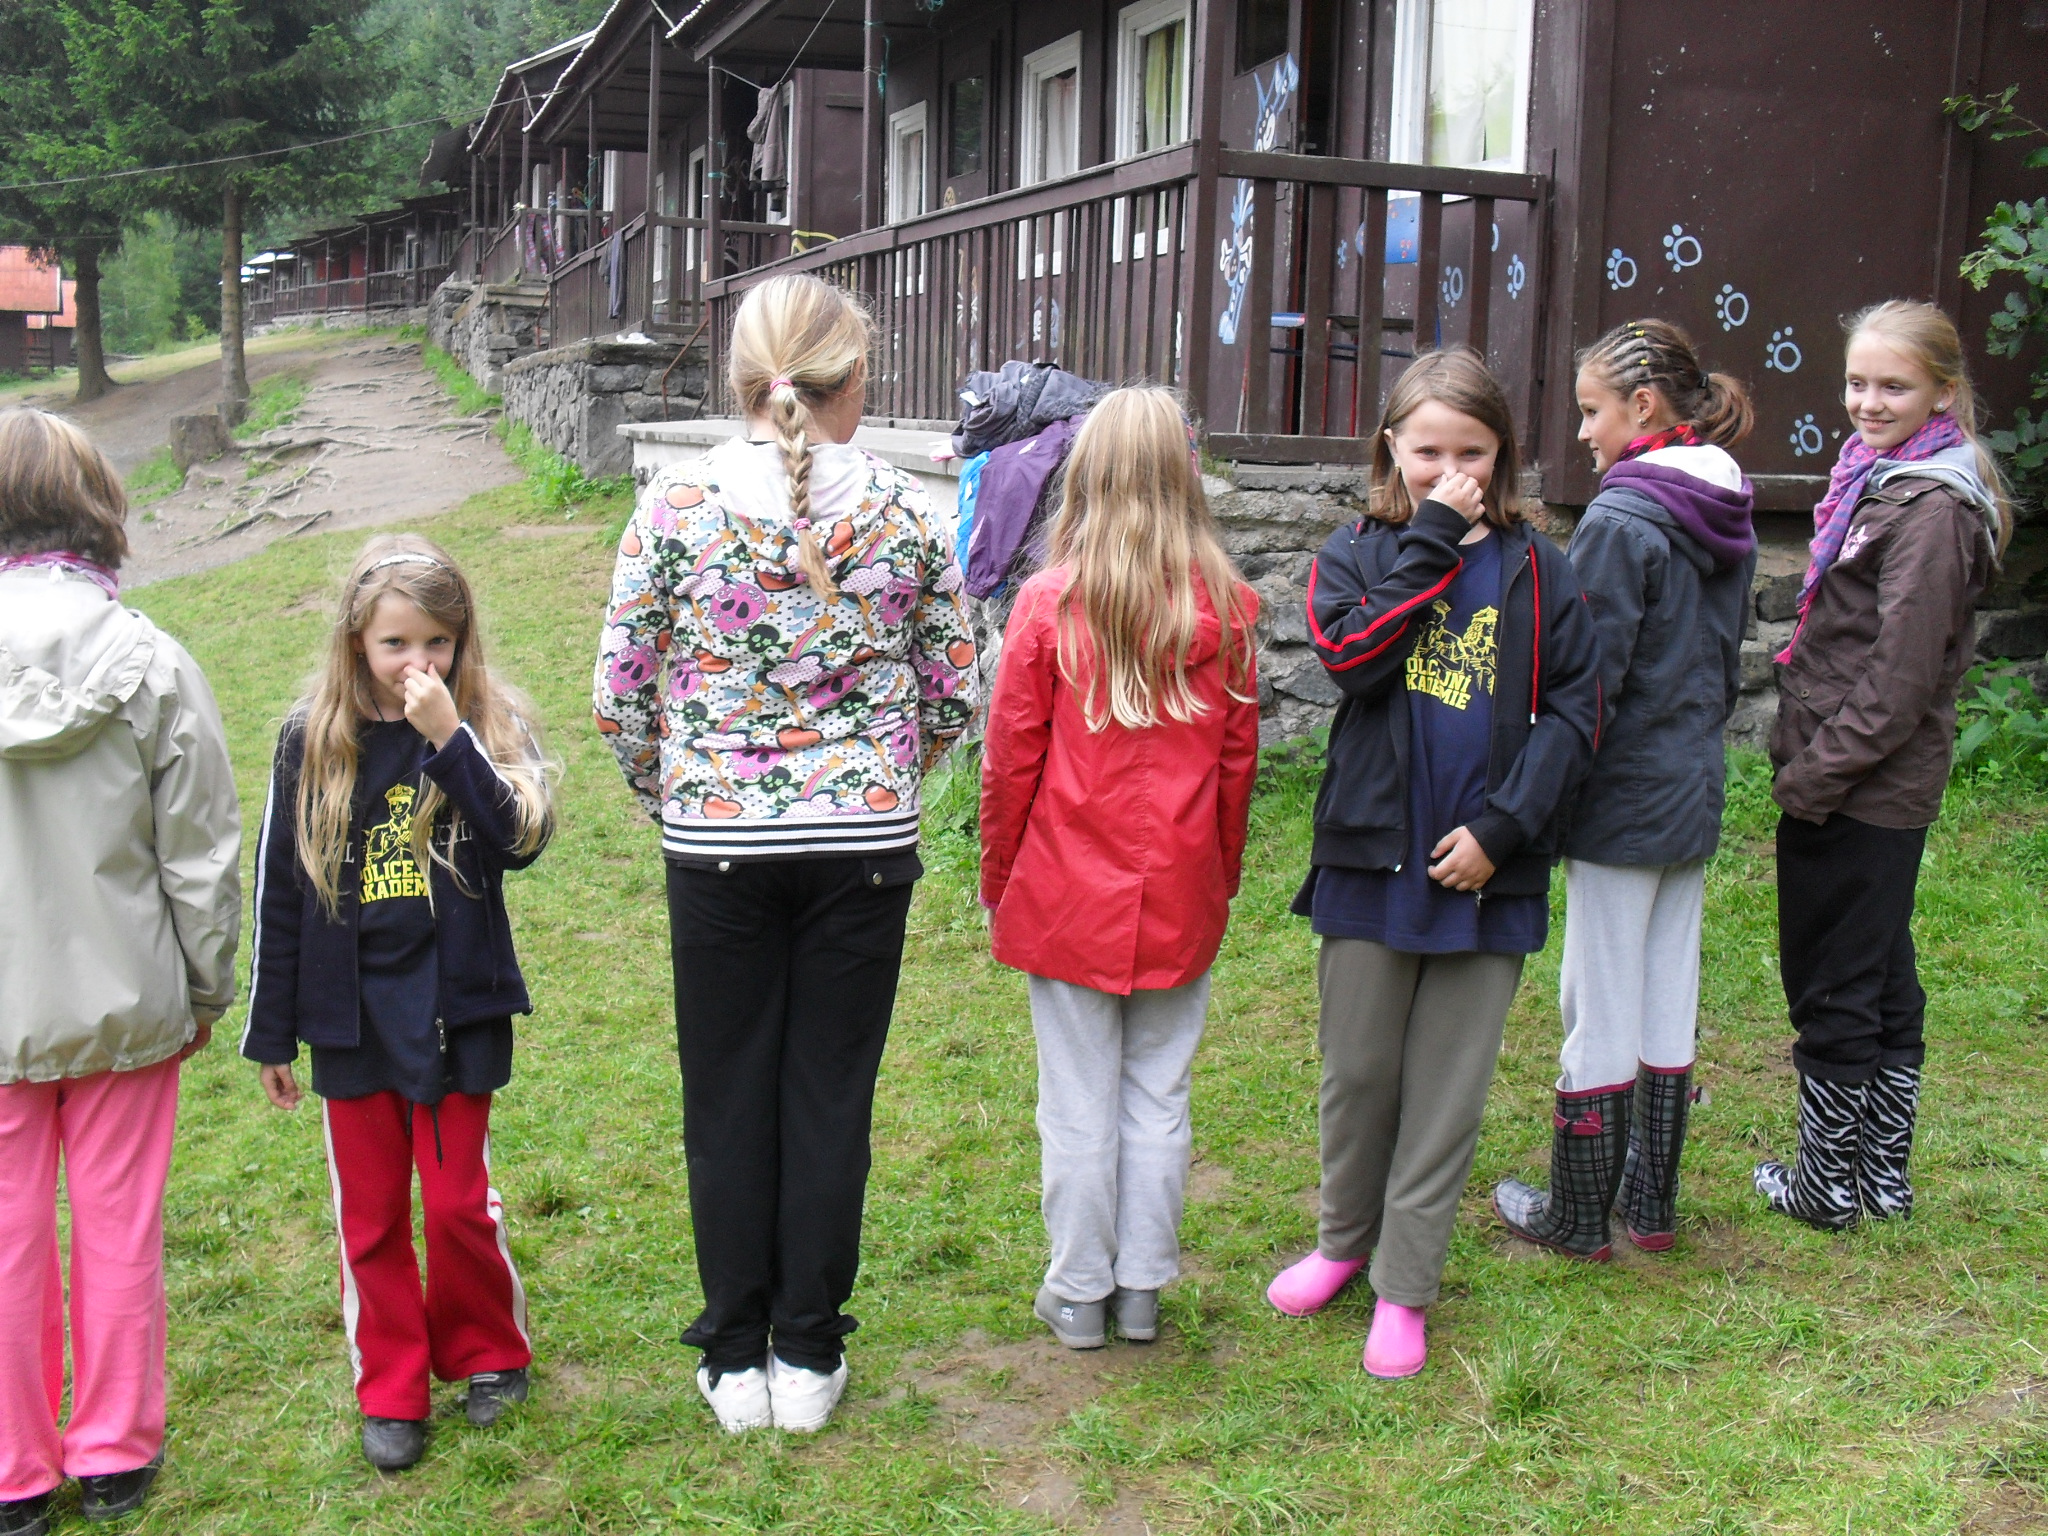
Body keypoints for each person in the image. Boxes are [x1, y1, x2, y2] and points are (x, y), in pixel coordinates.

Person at [595, 272, 976, 1434]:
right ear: (851, 380)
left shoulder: (673, 505)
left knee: (726, 1098)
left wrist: (681, 796)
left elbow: (620, 696)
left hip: (716, 844)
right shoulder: (908, 510)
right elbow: (954, 690)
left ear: (739, 380)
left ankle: (734, 1357)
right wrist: (878, 783)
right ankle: (806, 1354)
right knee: (827, 1098)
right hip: (863, 850)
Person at [1265, 349, 1600, 1379]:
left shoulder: (1541, 569)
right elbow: (1353, 662)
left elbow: (1575, 711)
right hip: (1371, 860)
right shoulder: (1355, 552)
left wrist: (1505, 830)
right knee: (1358, 1074)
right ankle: (1341, 1243)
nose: (1450, 471)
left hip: (1486, 873)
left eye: (1472, 453)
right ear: (1390, 450)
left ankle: (1403, 1285)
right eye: (1427, 452)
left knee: (1445, 1092)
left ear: (1503, 456)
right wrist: (1432, 541)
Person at [242, 533, 554, 1472]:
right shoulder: (310, 738)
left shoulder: (485, 723)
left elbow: (518, 843)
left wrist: (449, 738)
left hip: (456, 1010)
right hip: (352, 1018)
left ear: (463, 641)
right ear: (356, 642)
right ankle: (391, 1386)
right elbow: (280, 891)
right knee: (371, 1216)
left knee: (457, 1205)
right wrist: (272, 1033)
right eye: (395, 644)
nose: (419, 662)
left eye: (438, 643)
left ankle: (489, 1352)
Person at [978, 387, 1261, 1351]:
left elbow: (1010, 764)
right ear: (1187, 480)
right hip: (1180, 888)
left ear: (1085, 477)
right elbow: (1235, 770)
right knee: (1157, 1095)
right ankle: (1140, 1287)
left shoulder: (1049, 604)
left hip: (1063, 892)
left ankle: (1078, 1290)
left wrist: (999, 882)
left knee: (1077, 1102)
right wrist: (1219, 879)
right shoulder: (1228, 607)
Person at [0, 410, 241, 1535]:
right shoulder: (152, 658)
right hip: (127, 999)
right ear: (97, 504)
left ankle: (14, 1473)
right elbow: (200, 851)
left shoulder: (153, 655)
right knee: (117, 1225)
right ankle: (112, 1454)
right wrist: (206, 986)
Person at [1492, 321, 1756, 1259]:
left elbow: (1587, 684)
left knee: (1596, 998)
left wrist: (1539, 798)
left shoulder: (1621, 520)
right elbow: (1723, 664)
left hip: (1622, 797)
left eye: (1592, 411)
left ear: (1643, 406)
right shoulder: (1726, 506)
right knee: (1665, 991)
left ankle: (1576, 1216)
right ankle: (1650, 1206)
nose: (1584, 434)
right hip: (1692, 785)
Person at [1754, 300, 2008, 1231]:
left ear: (1943, 392)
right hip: (1860, 782)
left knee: (1833, 980)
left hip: (1862, 789)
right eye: (1857, 382)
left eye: (1893, 387)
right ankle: (1880, 1180)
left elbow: (1899, 681)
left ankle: (1826, 1187)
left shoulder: (1932, 508)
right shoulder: (1884, 478)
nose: (1868, 402)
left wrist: (1811, 780)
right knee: (1880, 972)